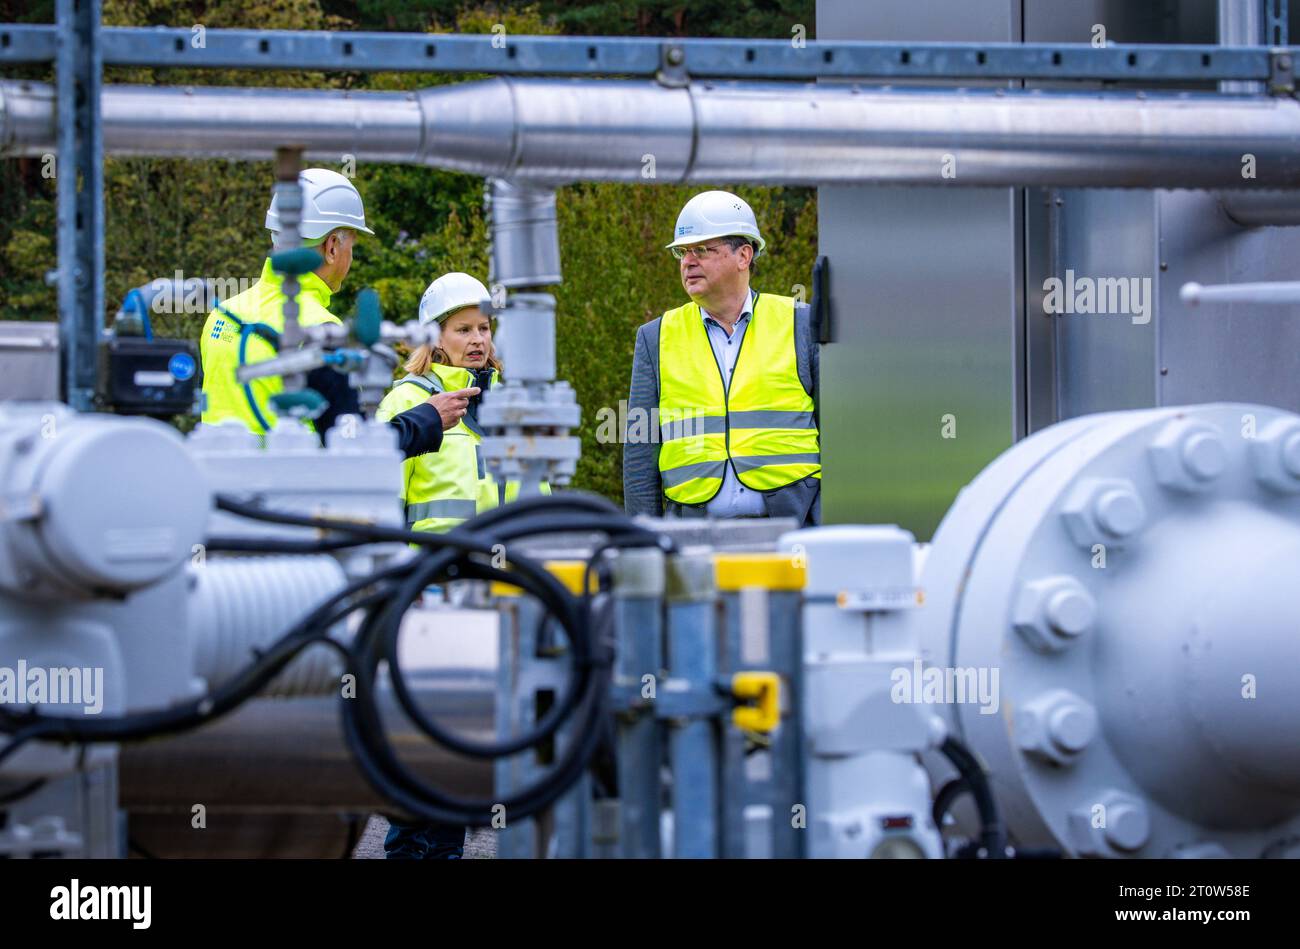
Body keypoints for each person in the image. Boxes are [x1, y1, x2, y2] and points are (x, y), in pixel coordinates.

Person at [373, 271, 542, 859]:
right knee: (431, 750)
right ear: (436, 337)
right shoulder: (407, 403)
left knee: (483, 748)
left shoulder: (509, 404)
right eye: (462, 328)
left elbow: (537, 496)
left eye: (484, 327)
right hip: (432, 600)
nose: (477, 339)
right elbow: (377, 501)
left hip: (505, 596)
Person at [198, 168, 461, 457]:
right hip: (290, 490)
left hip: (217, 492)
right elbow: (353, 445)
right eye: (352, 245)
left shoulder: (223, 315)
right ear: (333, 247)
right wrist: (428, 419)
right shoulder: (321, 329)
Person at [623, 190, 821, 525]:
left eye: (702, 249)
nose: (688, 261)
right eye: (683, 253)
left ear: (744, 255)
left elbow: (837, 435)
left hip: (791, 530)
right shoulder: (656, 336)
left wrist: (824, 526)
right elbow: (640, 453)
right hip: (693, 536)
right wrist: (644, 544)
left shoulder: (800, 323)